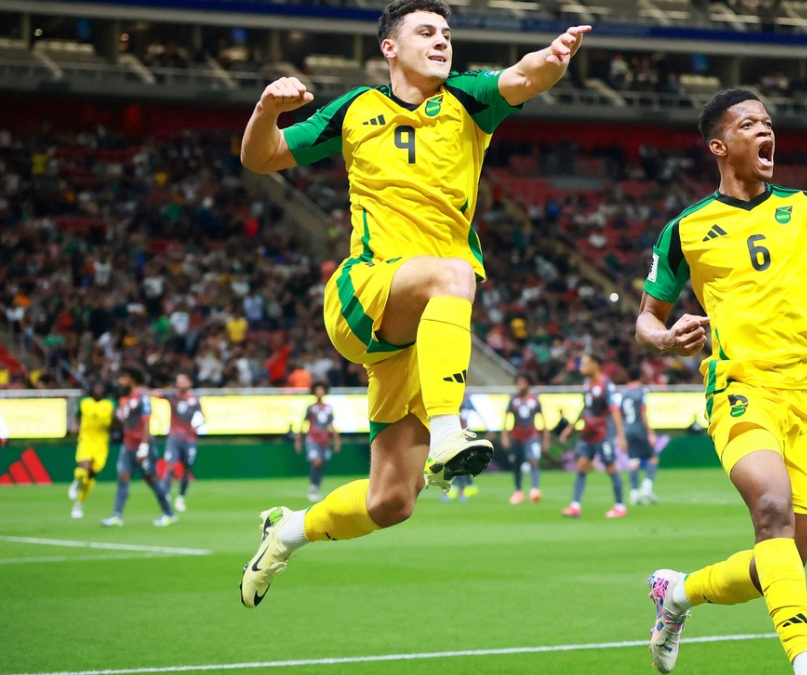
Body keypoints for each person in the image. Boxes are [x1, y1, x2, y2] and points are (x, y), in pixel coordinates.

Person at [238, 0, 589, 608]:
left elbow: (524, 76)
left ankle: (285, 532)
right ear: (390, 48)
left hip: (414, 332)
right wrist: (267, 108)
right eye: (426, 31)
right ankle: (451, 431)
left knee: (391, 502)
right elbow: (260, 158)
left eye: (447, 33)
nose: (442, 41)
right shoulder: (355, 110)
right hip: (364, 291)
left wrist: (553, 60)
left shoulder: (469, 99)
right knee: (456, 273)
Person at [634, 89, 807, 675]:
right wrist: (665, 335)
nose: (766, 131)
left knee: (781, 563)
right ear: (719, 145)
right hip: (739, 389)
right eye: (749, 123)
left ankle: (678, 592)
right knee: (773, 510)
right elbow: (646, 320)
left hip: (805, 398)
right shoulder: (685, 228)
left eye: (769, 123)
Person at [101, 365, 177, 528]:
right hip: (128, 445)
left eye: (123, 378)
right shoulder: (123, 399)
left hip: (144, 445)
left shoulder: (141, 397)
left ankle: (169, 513)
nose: (120, 381)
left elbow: (146, 421)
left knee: (151, 480)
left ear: (131, 379)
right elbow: (122, 421)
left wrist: (144, 446)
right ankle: (116, 516)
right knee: (122, 477)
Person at [559, 354, 627, 519]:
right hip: (587, 433)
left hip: (602, 433)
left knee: (610, 467)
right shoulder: (587, 384)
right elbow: (584, 408)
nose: (581, 366)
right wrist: (571, 427)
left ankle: (620, 506)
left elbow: (614, 410)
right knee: (582, 465)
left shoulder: (606, 385)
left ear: (595, 364)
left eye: (584, 363)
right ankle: (575, 506)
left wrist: (620, 435)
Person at [69, 381, 116, 519]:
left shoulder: (110, 404)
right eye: (96, 386)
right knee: (83, 467)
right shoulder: (84, 402)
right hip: (86, 440)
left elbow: (115, 423)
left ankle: (79, 503)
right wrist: (74, 426)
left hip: (101, 443)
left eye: (101, 387)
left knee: (90, 476)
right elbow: (77, 417)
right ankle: (77, 481)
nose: (99, 390)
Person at [159, 374, 204, 513]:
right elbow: (156, 394)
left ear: (189, 383)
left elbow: (202, 416)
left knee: (186, 468)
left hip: (189, 439)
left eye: (183, 381)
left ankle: (180, 498)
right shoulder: (172, 396)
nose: (180, 384)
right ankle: (165, 495)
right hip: (174, 437)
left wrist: (198, 426)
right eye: (178, 381)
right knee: (170, 465)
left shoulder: (194, 399)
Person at [501, 374, 549, 504]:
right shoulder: (513, 400)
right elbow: (506, 420)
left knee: (533, 460)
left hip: (531, 436)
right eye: (519, 382)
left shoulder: (534, 400)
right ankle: (518, 491)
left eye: (523, 382)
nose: (520, 385)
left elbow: (543, 421)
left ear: (528, 383)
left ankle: (534, 489)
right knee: (516, 463)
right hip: (517, 436)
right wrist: (505, 437)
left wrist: (545, 439)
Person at [296, 382, 340, 502]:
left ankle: (316, 487)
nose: (319, 392)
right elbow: (304, 423)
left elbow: (331, 425)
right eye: (317, 390)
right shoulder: (311, 408)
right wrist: (298, 439)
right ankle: (313, 488)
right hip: (312, 439)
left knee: (321, 465)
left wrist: (336, 440)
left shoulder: (328, 408)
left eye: (321, 390)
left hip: (325, 441)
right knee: (316, 462)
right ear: (314, 392)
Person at [623, 372, 661, 505]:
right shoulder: (641, 391)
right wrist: (650, 433)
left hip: (627, 430)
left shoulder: (623, 393)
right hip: (640, 429)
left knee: (633, 461)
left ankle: (633, 493)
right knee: (653, 458)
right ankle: (646, 488)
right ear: (640, 378)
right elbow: (643, 413)